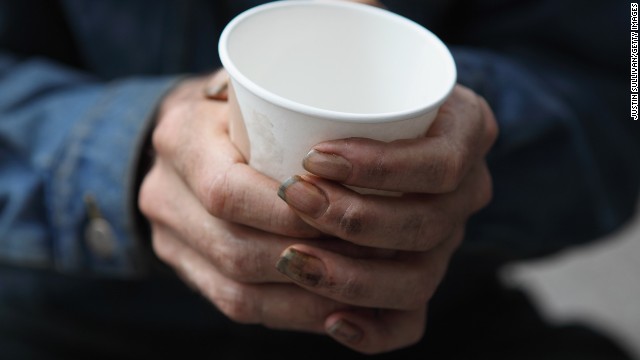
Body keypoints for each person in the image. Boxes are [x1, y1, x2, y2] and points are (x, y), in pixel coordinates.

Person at [0, 0, 636, 359]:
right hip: (63, 313)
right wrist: (129, 153)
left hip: (434, 313)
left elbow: (620, 97)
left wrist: (457, 148)